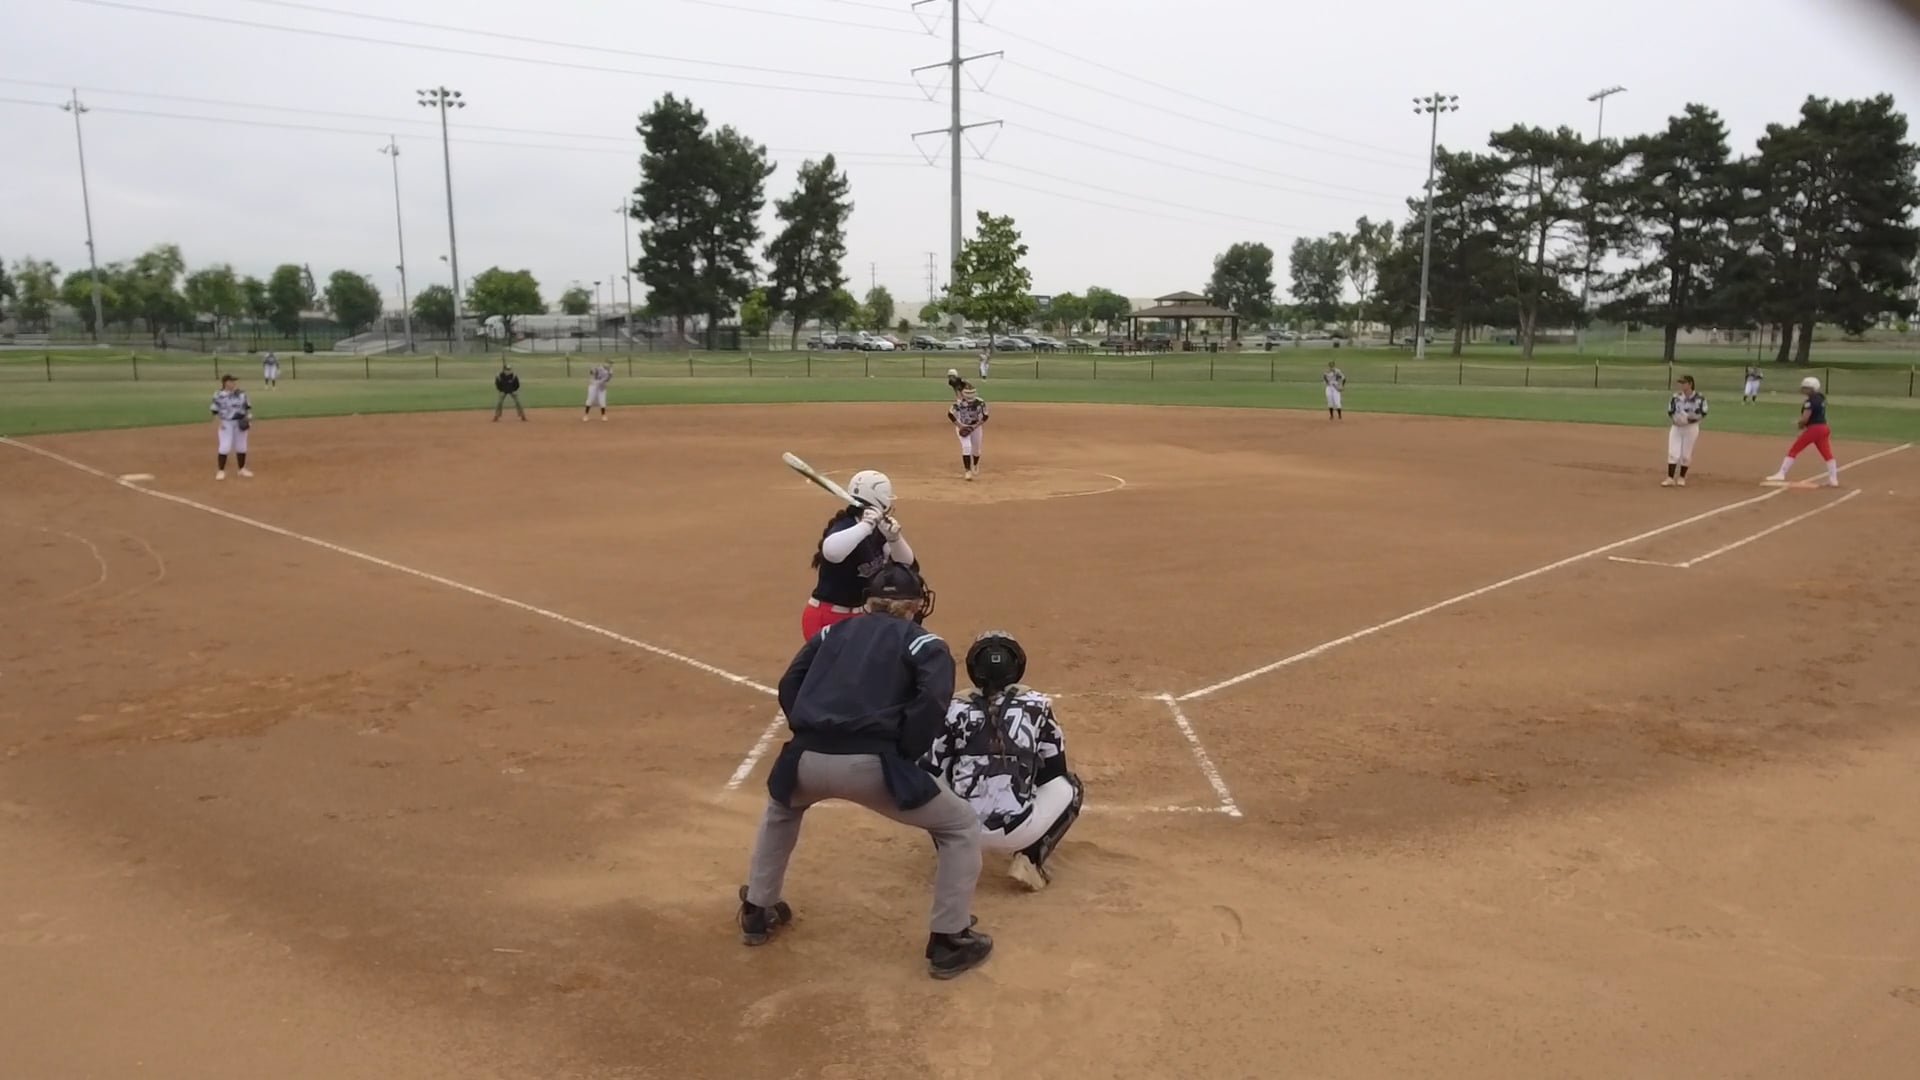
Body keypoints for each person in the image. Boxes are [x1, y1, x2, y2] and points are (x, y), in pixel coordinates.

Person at [737, 563, 995, 980]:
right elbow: (932, 701)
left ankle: (757, 909)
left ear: (868, 602)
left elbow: (790, 683)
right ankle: (949, 939)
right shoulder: (924, 643)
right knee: (960, 826)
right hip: (872, 766)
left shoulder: (831, 633)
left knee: (782, 808)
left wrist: (808, 730)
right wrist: (904, 752)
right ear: (915, 605)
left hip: (804, 760)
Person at [924, 631, 1083, 893]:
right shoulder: (1038, 704)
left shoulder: (952, 708)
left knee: (931, 781)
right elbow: (1054, 770)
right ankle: (1030, 860)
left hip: (960, 828)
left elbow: (932, 767)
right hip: (1019, 831)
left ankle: (952, 857)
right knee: (1071, 786)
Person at [802, 470, 917, 641]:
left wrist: (895, 538)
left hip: (859, 618)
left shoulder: (879, 530)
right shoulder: (846, 525)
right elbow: (831, 553)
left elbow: (905, 562)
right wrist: (866, 526)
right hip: (826, 617)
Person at [1763, 376, 1840, 487]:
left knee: (1794, 450)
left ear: (1811, 388)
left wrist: (1800, 424)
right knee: (1827, 454)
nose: (1803, 389)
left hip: (1814, 429)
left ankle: (1781, 473)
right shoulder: (1820, 398)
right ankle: (1833, 479)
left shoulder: (1809, 402)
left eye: (1806, 388)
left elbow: (1805, 418)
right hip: (1823, 428)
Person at [1663, 375, 1708, 487]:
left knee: (1686, 455)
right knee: (1673, 453)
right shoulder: (1676, 397)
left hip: (1691, 428)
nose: (1681, 385)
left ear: (1690, 384)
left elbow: (1703, 412)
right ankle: (1670, 478)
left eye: (1683, 383)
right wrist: (1676, 419)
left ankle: (1682, 477)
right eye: (1680, 383)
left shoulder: (1699, 398)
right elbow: (1670, 410)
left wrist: (1690, 419)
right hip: (1676, 427)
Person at [210, 374, 253, 481]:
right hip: (226, 422)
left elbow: (247, 408)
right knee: (225, 446)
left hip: (240, 422)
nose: (234, 383)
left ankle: (241, 469)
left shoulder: (241, 394)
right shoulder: (218, 394)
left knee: (241, 446)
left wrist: (248, 418)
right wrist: (219, 422)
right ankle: (221, 471)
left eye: (234, 381)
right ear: (226, 383)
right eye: (231, 381)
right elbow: (214, 410)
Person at [949, 386, 989, 481]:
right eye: (968, 394)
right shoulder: (958, 403)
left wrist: (974, 427)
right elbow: (950, 414)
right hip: (962, 426)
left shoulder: (980, 402)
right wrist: (960, 426)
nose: (970, 396)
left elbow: (985, 416)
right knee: (966, 447)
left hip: (976, 427)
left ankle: (975, 464)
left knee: (976, 450)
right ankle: (968, 471)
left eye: (971, 394)